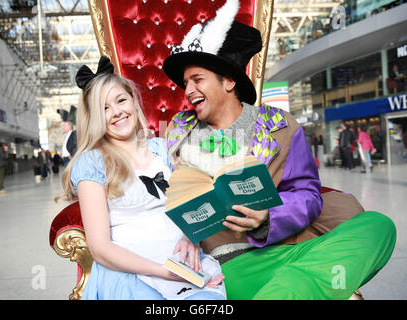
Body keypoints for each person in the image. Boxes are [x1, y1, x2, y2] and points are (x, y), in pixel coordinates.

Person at [163, 0, 396, 299]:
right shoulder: (178, 134)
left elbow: (309, 195)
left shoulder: (280, 125)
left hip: (291, 250)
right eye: (185, 83)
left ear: (229, 81)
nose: (189, 91)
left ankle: (290, 286)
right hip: (229, 266)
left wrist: (268, 217)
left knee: (379, 226)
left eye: (197, 80)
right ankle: (298, 288)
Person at [59, 56, 226, 300]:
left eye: (120, 100)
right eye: (104, 108)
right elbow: (100, 249)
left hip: (185, 266)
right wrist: (165, 273)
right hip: (131, 273)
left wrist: (191, 237)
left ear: (133, 101)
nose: (116, 112)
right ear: (94, 117)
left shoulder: (161, 148)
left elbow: (193, 203)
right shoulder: (92, 163)